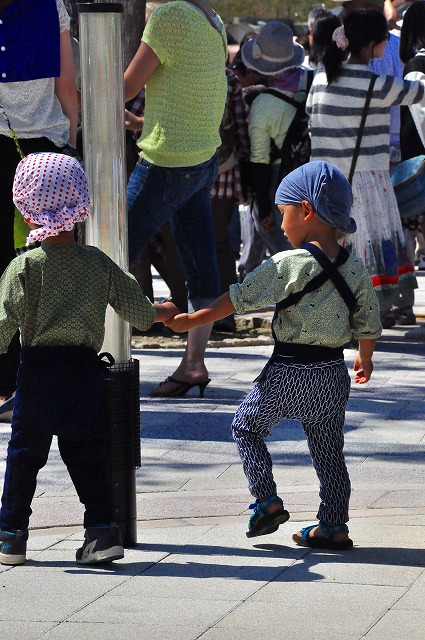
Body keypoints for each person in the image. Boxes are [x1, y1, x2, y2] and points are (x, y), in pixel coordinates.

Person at [166, 161, 382, 550]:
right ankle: (333, 524)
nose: (281, 226)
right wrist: (364, 357)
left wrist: (194, 319)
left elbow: (239, 297)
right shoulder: (355, 267)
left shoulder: (289, 263)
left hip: (288, 372)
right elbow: (368, 317)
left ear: (306, 210)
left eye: (284, 214)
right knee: (329, 448)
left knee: (247, 427)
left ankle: (266, 500)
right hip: (332, 374)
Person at [0, 153, 178, 566]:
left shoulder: (25, 266)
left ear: (27, 211)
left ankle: (11, 534)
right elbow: (139, 311)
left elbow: (2, 326)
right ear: (79, 209)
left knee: (26, 453)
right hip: (84, 373)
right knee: (87, 454)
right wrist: (163, 313)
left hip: (39, 373)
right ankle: (102, 530)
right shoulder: (97, 262)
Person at [124, 0, 227, 398]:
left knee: (104, 255)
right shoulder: (210, 18)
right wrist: (143, 123)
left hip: (166, 163)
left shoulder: (169, 16)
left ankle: (89, 357)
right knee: (202, 267)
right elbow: (191, 94)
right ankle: (194, 365)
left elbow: (126, 87)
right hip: (202, 158)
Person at [307, 9, 425, 326]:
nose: (388, 43)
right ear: (371, 43)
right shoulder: (374, 84)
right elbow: (417, 93)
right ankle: (358, 315)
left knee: (331, 251)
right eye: (385, 38)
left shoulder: (320, 78)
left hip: (321, 182)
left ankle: (331, 314)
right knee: (363, 252)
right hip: (365, 184)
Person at [0, 0, 79, 410]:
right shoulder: (49, 7)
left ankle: (9, 381)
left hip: (20, 147)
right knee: (47, 265)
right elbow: (66, 85)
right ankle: (40, 378)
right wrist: (74, 147)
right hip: (46, 147)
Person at [235, 21, 311, 280]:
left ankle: (297, 287)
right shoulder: (310, 80)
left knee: (278, 237)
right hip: (314, 169)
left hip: (283, 177)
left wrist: (265, 207)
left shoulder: (262, 105)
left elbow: (259, 159)